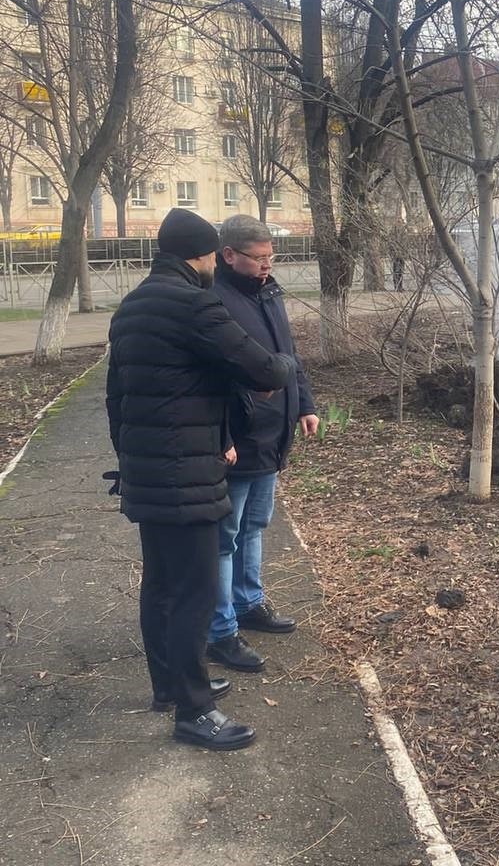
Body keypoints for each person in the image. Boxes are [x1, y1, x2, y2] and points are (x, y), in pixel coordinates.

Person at [106, 208, 295, 751]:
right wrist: (284, 364)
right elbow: (262, 369)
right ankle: (194, 712)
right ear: (203, 254)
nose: (215, 263)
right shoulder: (194, 303)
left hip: (147, 471)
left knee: (162, 585)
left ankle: (170, 685)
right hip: (186, 473)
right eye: (213, 254)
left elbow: (117, 398)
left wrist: (130, 459)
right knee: (194, 590)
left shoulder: (133, 306)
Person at [205, 215, 319, 673]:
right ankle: (221, 629)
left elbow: (288, 357)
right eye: (260, 259)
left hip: (273, 433)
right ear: (229, 255)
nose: (268, 267)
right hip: (238, 438)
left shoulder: (267, 293)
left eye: (272, 258)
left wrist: (304, 403)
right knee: (224, 537)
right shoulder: (213, 301)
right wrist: (223, 436)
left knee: (254, 524)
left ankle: (249, 604)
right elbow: (210, 380)